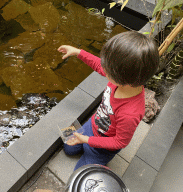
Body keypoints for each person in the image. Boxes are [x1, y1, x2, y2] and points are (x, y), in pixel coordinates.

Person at [57, 31, 159, 171]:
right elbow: (99, 65)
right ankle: (83, 143)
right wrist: (78, 52)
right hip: (92, 125)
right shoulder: (123, 77)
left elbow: (119, 142)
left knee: (80, 174)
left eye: (108, 70)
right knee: (68, 148)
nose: (103, 69)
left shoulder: (130, 113)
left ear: (123, 80)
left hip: (103, 148)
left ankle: (99, 164)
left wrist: (87, 140)